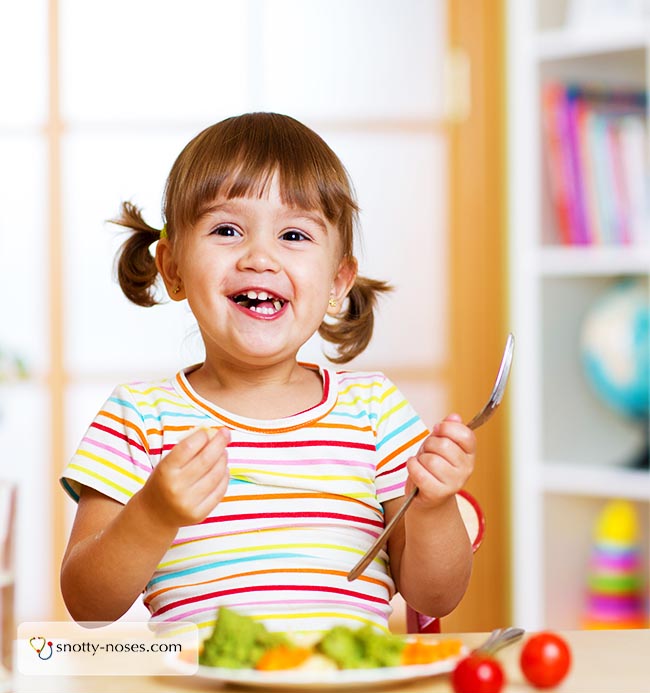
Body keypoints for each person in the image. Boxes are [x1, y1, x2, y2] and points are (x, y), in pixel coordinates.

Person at [60, 112, 476, 637]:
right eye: (226, 230)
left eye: (294, 235)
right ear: (172, 268)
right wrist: (153, 513)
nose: (260, 257)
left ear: (337, 280)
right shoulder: (139, 417)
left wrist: (435, 508)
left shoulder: (375, 411)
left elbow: (437, 595)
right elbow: (86, 604)